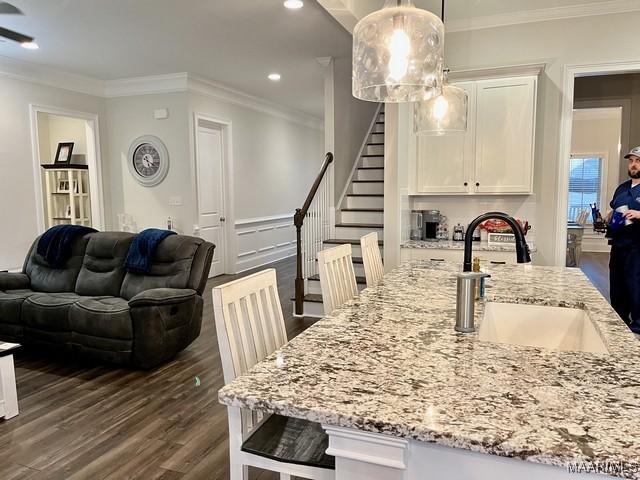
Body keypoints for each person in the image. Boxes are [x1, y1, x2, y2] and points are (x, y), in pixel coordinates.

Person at [608, 146, 640, 334]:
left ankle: (637, 324)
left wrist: (638, 213)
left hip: (637, 246)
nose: (634, 164)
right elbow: (615, 209)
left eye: (637, 161)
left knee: (635, 283)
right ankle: (619, 319)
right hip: (619, 244)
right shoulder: (622, 188)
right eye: (631, 161)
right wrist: (606, 216)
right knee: (617, 283)